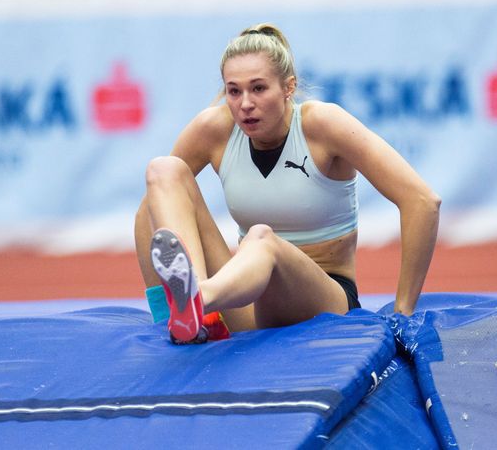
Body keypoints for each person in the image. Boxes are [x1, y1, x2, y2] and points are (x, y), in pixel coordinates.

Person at [134, 23, 441, 344]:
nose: (245, 104)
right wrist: (161, 317)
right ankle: (191, 312)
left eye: (258, 88)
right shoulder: (213, 128)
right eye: (234, 91)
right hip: (243, 303)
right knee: (163, 170)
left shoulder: (322, 125)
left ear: (288, 87)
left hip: (322, 303)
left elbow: (422, 201)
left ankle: (199, 298)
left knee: (261, 238)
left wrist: (403, 312)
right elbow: (149, 214)